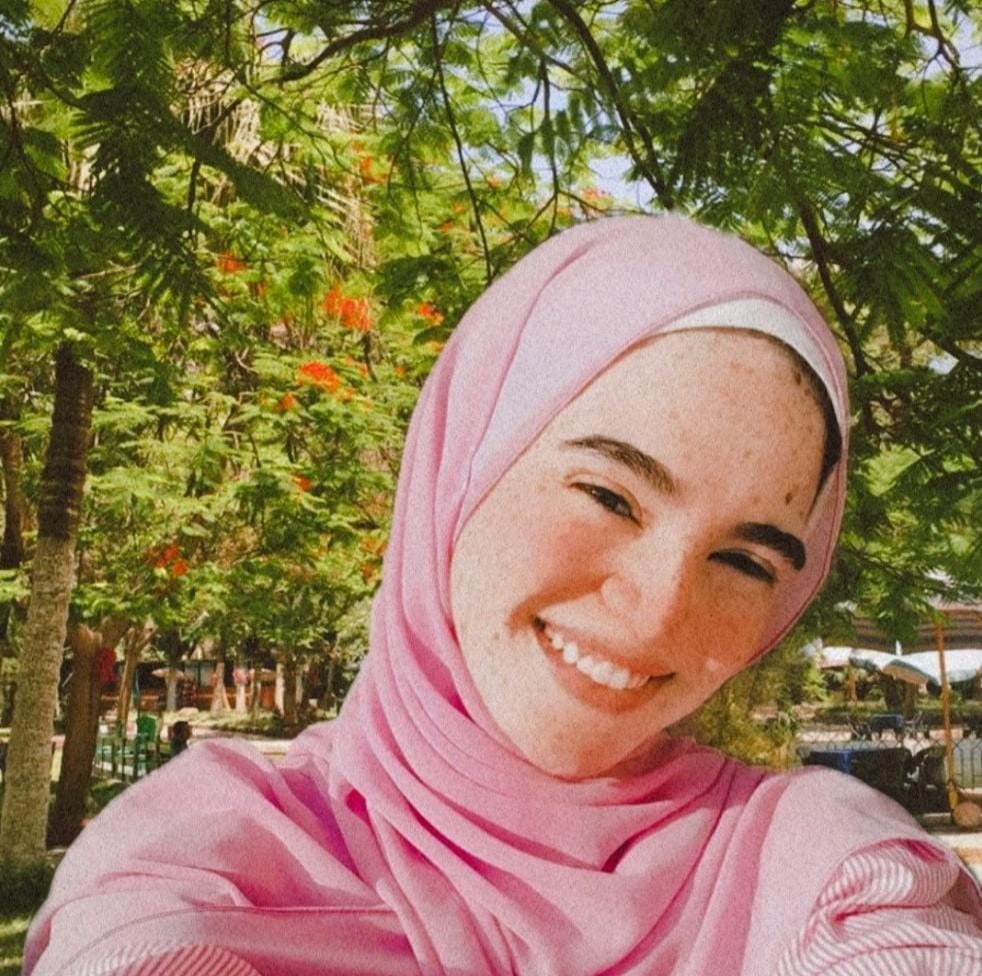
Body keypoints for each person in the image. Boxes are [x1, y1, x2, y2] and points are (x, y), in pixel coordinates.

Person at [23, 216, 981, 975]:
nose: (657, 611)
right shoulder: (207, 863)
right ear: (461, 466)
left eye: (746, 562)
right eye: (609, 495)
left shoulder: (817, 866)